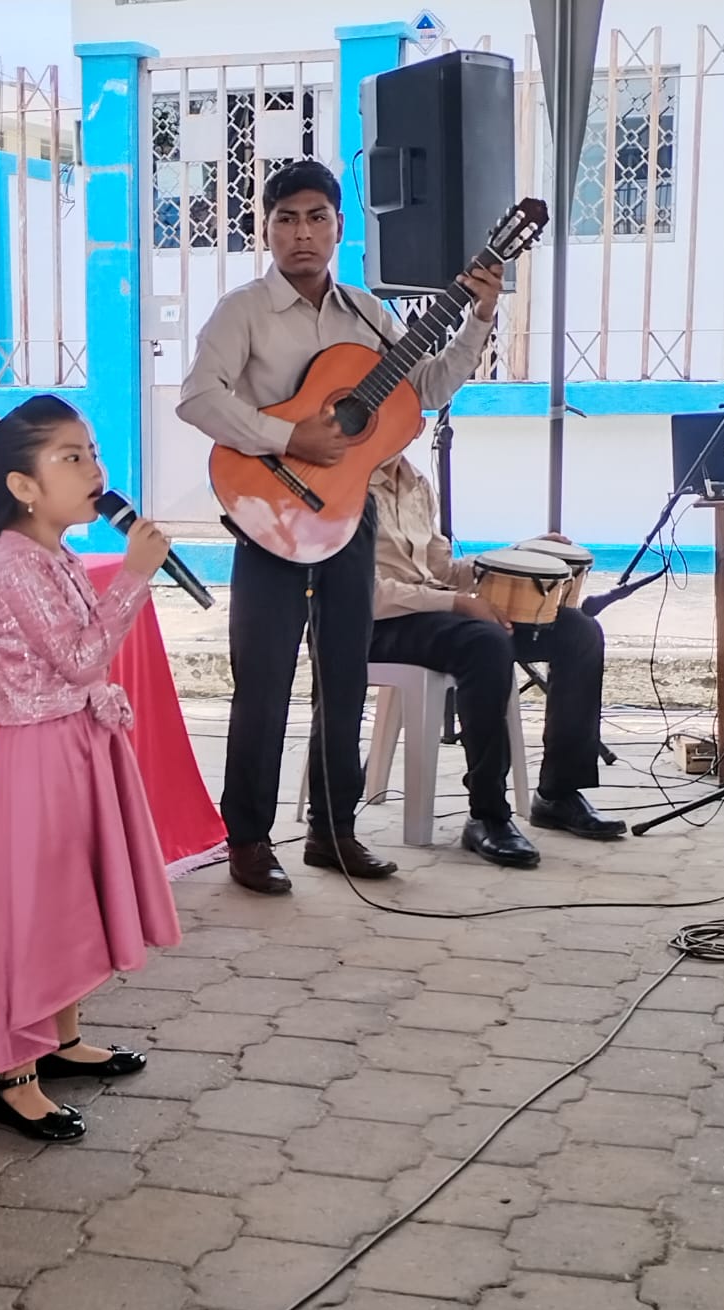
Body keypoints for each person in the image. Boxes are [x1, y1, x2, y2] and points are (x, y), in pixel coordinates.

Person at [178, 158, 504, 895]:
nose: (302, 233)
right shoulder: (242, 312)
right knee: (263, 681)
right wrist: (287, 436)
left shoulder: (365, 313)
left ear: (338, 228)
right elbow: (198, 398)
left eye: (316, 218)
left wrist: (479, 317)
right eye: (287, 218)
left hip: (351, 516)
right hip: (270, 514)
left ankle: (334, 830)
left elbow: (425, 389)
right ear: (266, 229)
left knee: (345, 677)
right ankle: (249, 838)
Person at [0, 395, 181, 1142]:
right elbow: (84, 657)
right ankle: (12, 1079)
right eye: (71, 457)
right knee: (37, 906)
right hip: (40, 751)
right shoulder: (13, 559)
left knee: (69, 897)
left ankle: (60, 1042)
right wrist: (136, 575)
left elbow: (81, 649)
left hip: (75, 738)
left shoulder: (50, 551)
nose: (94, 470)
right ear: (23, 485)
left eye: (91, 453)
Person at [369, 451, 627, 865]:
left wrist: (522, 552)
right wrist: (457, 603)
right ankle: (487, 813)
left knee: (579, 632)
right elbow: (368, 593)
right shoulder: (347, 485)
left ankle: (558, 793)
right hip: (379, 625)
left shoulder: (415, 482)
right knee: (486, 642)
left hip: (436, 613)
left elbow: (443, 571)